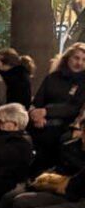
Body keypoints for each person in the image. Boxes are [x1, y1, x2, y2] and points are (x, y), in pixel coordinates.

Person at [29, 43, 85, 171]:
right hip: (43, 119)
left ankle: (44, 172)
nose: (79, 63)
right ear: (67, 58)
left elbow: (74, 107)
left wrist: (46, 112)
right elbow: (38, 101)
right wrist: (36, 115)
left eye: (83, 60)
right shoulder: (52, 78)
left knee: (53, 135)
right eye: (76, 58)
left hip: (69, 121)